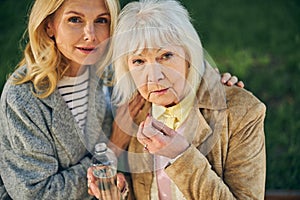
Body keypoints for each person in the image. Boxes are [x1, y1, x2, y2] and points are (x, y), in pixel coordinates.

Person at [0, 0, 243, 200]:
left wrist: (206, 85)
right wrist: (112, 150)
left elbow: (165, 72)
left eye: (101, 21)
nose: (90, 35)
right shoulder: (22, 97)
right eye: (75, 20)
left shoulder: (112, 70)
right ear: (49, 25)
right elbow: (35, 194)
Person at [104, 0, 266, 199]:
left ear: (189, 55)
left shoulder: (242, 112)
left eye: (166, 56)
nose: (153, 77)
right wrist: (118, 194)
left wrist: (181, 155)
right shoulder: (135, 110)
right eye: (139, 61)